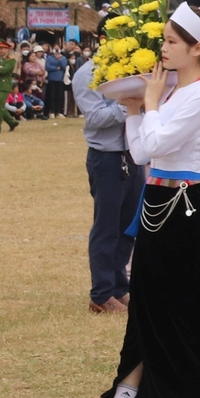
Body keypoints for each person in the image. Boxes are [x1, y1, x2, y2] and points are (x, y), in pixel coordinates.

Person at [64, 4, 200, 398]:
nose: (162, 49)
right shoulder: (169, 93)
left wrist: (144, 106)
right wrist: (136, 109)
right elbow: (140, 148)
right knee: (149, 301)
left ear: (197, 48)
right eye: (163, 40)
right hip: (158, 201)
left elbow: (149, 149)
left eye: (171, 42)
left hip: (185, 205)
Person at [73, 51, 140, 315]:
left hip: (132, 152)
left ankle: (119, 287)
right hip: (106, 157)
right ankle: (101, 294)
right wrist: (130, 105)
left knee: (127, 225)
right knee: (107, 226)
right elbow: (96, 118)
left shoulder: (131, 69)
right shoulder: (86, 75)